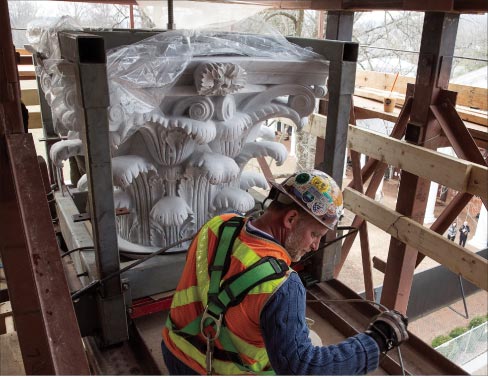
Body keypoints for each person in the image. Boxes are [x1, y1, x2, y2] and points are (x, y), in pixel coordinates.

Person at [162, 169, 408, 375]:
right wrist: (375, 340)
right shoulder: (282, 285)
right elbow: (304, 368)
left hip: (175, 351)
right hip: (211, 369)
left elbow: (204, 279)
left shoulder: (218, 224)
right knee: (309, 348)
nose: (314, 246)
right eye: (315, 235)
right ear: (290, 219)